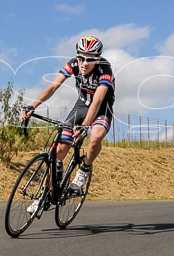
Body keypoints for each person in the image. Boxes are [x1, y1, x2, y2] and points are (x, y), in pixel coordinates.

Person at [20, 36, 116, 194]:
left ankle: (84, 169)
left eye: (89, 60)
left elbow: (98, 101)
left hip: (101, 109)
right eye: (81, 58)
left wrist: (85, 126)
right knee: (60, 148)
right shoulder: (73, 64)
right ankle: (46, 192)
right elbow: (53, 87)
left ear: (97, 59)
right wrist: (33, 106)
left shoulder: (105, 69)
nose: (84, 63)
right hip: (81, 105)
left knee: (96, 137)